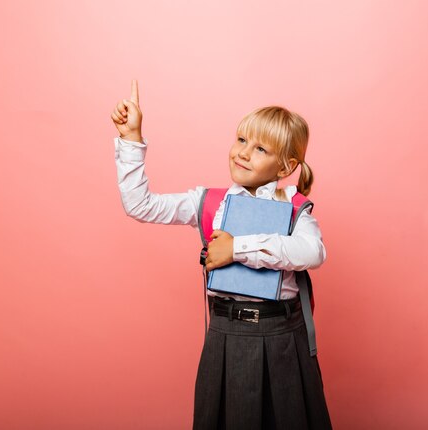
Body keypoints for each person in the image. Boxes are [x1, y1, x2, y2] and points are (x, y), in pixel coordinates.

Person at [112, 79, 332, 429]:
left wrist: (236, 249)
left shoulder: (293, 207)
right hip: (225, 335)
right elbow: (140, 205)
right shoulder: (208, 202)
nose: (243, 152)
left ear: (286, 165)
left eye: (261, 149)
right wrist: (131, 140)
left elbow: (312, 252)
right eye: (242, 140)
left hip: (281, 337)